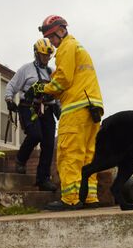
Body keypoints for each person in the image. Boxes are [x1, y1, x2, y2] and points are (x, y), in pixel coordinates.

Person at [29, 15, 104, 210]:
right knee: (88, 155)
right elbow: (68, 77)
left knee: (69, 153)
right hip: (92, 107)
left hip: (75, 108)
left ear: (61, 30)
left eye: (52, 37)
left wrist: (41, 89)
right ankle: (89, 197)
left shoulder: (66, 48)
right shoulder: (78, 48)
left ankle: (70, 198)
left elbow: (62, 80)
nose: (52, 44)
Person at [5, 38, 59, 192]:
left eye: (48, 56)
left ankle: (43, 179)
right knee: (35, 135)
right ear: (36, 53)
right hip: (29, 107)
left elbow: (57, 91)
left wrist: (58, 107)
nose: (46, 58)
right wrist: (9, 99)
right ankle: (21, 159)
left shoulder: (52, 72)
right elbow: (11, 85)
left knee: (49, 144)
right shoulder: (25, 70)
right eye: (43, 55)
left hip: (47, 109)